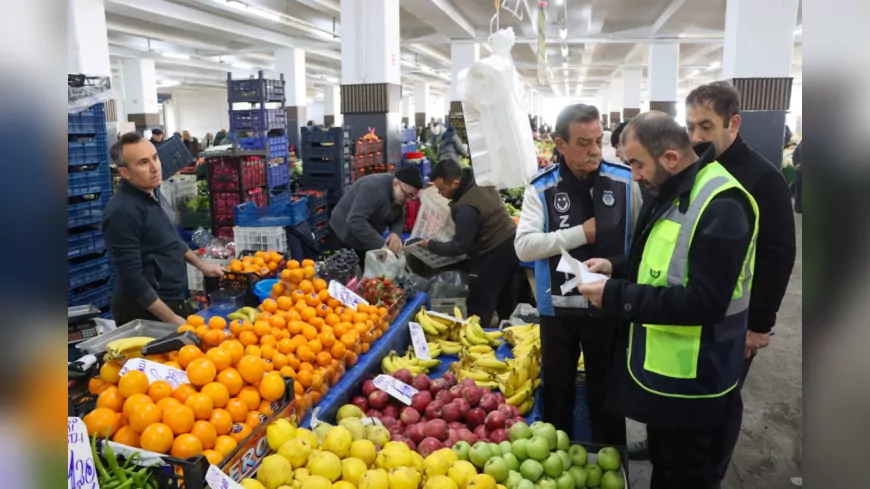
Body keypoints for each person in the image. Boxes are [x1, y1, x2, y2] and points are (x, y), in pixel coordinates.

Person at [578, 111, 758, 489]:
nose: (636, 176)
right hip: (665, 375)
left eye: (638, 165)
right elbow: (664, 262)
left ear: (671, 158)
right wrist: (615, 267)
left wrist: (615, 296)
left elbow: (703, 302)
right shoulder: (675, 190)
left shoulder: (721, 204)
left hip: (696, 376)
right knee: (664, 462)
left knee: (686, 473)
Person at [682, 81, 797, 473]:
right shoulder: (698, 170)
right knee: (692, 391)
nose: (696, 137)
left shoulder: (762, 179)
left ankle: (713, 470)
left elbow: (779, 255)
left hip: (737, 320)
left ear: (734, 123)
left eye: (706, 127)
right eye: (690, 127)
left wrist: (759, 325)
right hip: (698, 308)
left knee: (723, 396)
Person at [514, 103, 642, 444]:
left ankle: (611, 461)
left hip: (609, 306)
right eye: (584, 142)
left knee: (608, 393)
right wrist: (579, 234)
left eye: (598, 140)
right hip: (557, 310)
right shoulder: (541, 189)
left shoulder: (626, 182)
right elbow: (524, 247)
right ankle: (557, 459)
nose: (594, 151)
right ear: (560, 144)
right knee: (557, 391)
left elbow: (643, 242)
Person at [103, 133, 224, 326]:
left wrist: (203, 266)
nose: (155, 167)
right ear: (125, 173)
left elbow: (172, 239)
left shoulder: (151, 194)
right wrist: (171, 319)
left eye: (155, 157)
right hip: (146, 313)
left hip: (172, 302)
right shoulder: (122, 211)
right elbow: (132, 278)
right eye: (143, 163)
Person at [419, 158, 518, 327]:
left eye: (442, 189)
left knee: (479, 302)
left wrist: (430, 245)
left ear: (455, 183)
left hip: (493, 251)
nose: (440, 193)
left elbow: (459, 246)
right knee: (505, 297)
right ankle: (507, 330)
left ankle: (477, 337)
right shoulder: (478, 179)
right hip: (511, 241)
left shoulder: (465, 207)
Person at [328, 167, 424, 262]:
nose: (407, 200)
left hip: (366, 235)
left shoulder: (399, 192)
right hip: (343, 233)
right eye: (407, 195)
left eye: (411, 197)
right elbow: (355, 221)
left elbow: (398, 216)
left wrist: (395, 233)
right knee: (346, 270)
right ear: (395, 183)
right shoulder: (373, 188)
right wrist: (381, 246)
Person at [793, 140, 802, 213]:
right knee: (799, 188)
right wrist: (797, 163)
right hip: (800, 170)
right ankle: (798, 207)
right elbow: (795, 154)